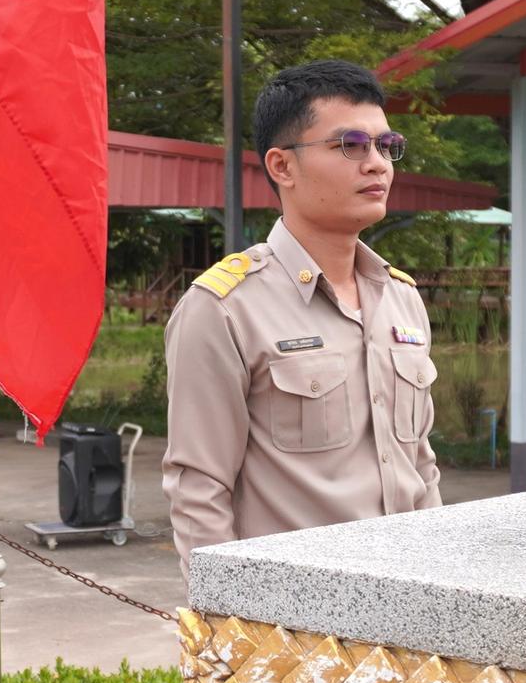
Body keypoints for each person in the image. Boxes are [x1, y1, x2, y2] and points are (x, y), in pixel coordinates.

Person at [162, 60, 443, 579]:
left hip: (412, 609)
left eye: (386, 146)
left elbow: (421, 469)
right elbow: (199, 488)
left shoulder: (402, 299)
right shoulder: (224, 307)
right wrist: (231, 625)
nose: (377, 163)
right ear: (282, 166)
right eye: (351, 145)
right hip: (294, 627)